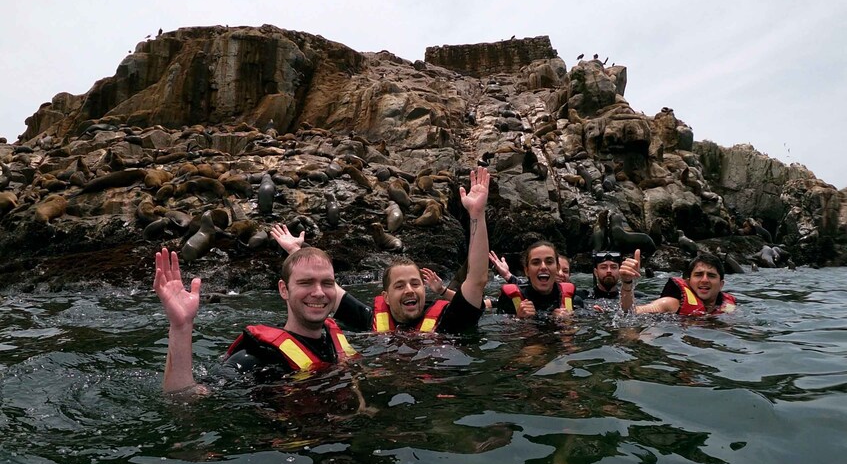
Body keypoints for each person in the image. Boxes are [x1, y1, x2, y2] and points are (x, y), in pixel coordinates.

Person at [271, 166, 491, 334]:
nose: (409, 290)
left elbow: (477, 278)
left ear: (424, 290)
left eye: (415, 283)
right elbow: (330, 289)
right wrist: (295, 251)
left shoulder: (449, 320)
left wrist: (477, 215)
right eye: (399, 285)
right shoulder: (369, 321)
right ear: (385, 296)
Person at [153, 246, 357, 394]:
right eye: (306, 283)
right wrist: (181, 327)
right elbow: (184, 398)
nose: (319, 292)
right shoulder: (256, 358)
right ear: (284, 290)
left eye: (327, 283)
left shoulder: (336, 342)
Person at [619, 250, 737, 315]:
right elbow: (630, 312)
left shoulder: (728, 307)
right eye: (698, 275)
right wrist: (627, 283)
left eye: (711, 276)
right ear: (688, 281)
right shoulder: (671, 304)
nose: (704, 280)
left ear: (721, 284)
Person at [495, 241, 575, 318]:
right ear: (527, 271)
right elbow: (500, 327)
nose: (543, 267)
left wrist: (568, 323)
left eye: (549, 262)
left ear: (557, 268)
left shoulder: (572, 299)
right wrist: (519, 319)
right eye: (536, 263)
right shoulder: (511, 300)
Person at [489, 250, 571, 284]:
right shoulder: (528, 293)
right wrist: (507, 275)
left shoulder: (578, 297)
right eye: (557, 269)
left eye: (565, 271)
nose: (560, 274)